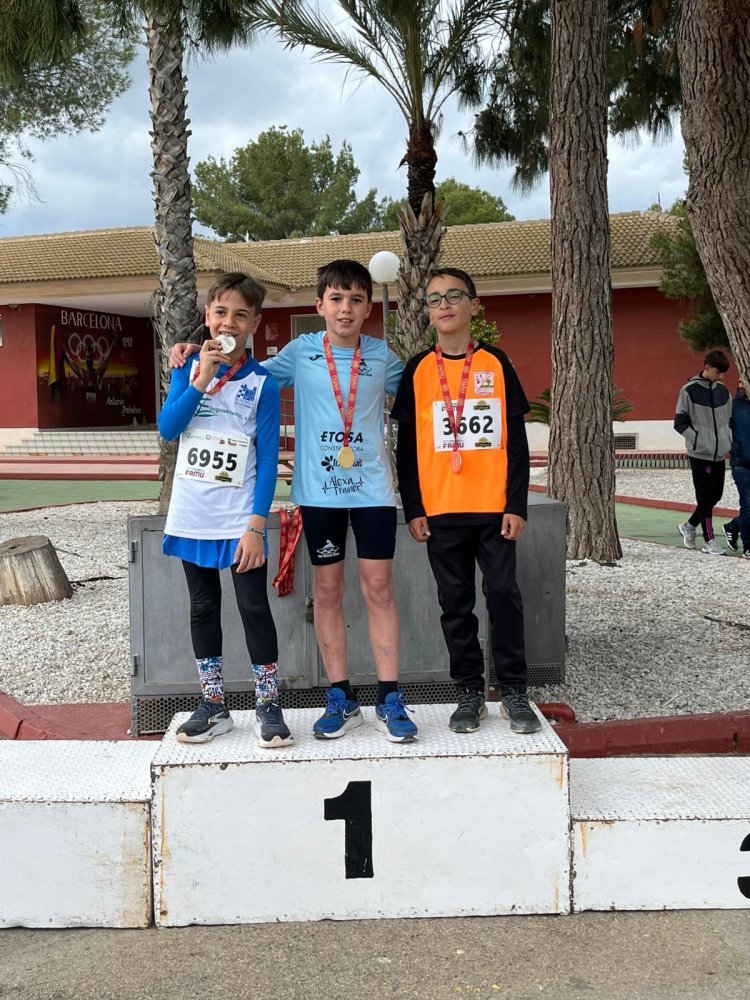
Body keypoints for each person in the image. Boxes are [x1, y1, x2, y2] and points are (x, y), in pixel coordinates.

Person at [171, 260, 417, 744]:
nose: (345, 308)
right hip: (317, 494)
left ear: (368, 308)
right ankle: (341, 699)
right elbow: (245, 371)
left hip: (373, 495)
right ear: (320, 305)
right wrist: (190, 355)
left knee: (379, 590)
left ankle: (390, 697)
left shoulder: (383, 357)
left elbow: (421, 397)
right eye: (337, 299)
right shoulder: (300, 352)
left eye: (356, 300)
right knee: (325, 593)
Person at [392, 267, 541, 736]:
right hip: (440, 513)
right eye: (435, 299)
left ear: (475, 305)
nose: (445, 304)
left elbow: (516, 443)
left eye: (455, 295)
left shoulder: (496, 363)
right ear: (428, 312)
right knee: (455, 604)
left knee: (502, 595)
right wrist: (414, 508)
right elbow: (407, 448)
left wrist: (516, 504)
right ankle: (469, 692)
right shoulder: (418, 369)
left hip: (494, 510)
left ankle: (514, 689)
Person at [159, 272, 293, 749]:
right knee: (202, 607)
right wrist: (201, 378)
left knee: (253, 607)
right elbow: (169, 428)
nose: (229, 322)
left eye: (241, 314)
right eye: (220, 312)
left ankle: (268, 704)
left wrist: (257, 525)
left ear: (255, 322)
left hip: (239, 519)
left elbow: (265, 463)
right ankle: (214, 706)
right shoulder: (188, 367)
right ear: (207, 318)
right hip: (193, 513)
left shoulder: (263, 383)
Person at [674, 349, 733, 555]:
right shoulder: (688, 391)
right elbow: (680, 423)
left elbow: (730, 420)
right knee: (706, 497)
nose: (721, 376)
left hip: (719, 454)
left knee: (715, 496)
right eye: (718, 372)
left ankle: (689, 526)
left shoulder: (723, 391)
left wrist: (729, 441)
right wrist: (698, 441)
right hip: (700, 454)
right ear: (706, 368)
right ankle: (709, 540)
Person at [722, 379, 750, 559]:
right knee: (748, 504)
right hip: (742, 463)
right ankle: (748, 546)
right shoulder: (732, 406)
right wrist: (735, 449)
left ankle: (733, 526)